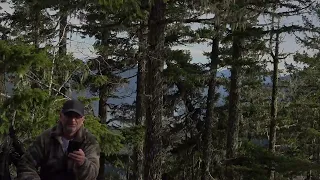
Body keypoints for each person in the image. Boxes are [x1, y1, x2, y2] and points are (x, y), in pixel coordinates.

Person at [16, 99, 101, 180]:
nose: (72, 120)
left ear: (82, 120)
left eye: (77, 117)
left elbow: (93, 175)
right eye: (69, 116)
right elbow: (26, 164)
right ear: (61, 116)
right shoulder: (46, 138)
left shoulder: (89, 141)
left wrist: (83, 163)